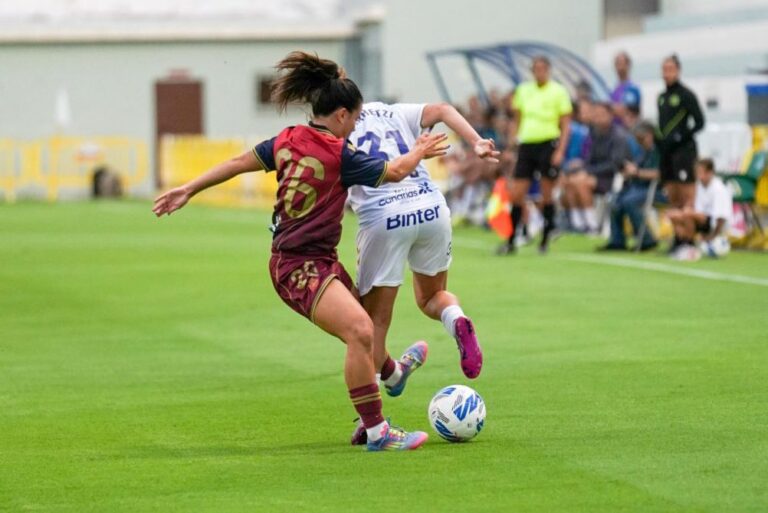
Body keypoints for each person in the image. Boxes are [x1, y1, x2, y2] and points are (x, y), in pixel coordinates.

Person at [151, 52, 449, 452]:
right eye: (357, 119)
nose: (358, 127)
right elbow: (395, 172)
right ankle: (378, 432)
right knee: (361, 331)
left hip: (315, 261)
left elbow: (240, 161)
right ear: (341, 115)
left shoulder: (288, 138)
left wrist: (189, 187)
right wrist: (420, 148)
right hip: (298, 267)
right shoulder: (341, 155)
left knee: (365, 325)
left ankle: (392, 376)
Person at [346, 101, 499, 445]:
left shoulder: (334, 129)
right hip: (431, 207)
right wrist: (475, 142)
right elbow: (443, 109)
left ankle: (368, 419)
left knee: (373, 324)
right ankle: (455, 318)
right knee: (432, 296)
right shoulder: (391, 110)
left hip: (384, 216)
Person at [500, 55, 572, 254]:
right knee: (517, 192)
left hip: (548, 143)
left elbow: (565, 124)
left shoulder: (558, 91)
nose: (539, 72)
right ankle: (512, 238)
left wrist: (560, 151)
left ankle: (546, 237)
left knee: (546, 193)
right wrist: (512, 144)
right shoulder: (523, 90)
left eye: (543, 68)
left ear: (548, 70)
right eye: (536, 69)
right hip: (527, 144)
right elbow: (517, 119)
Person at [564, 102, 631, 234]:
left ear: (610, 115)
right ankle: (578, 223)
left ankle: (592, 224)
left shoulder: (618, 136)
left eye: (601, 114)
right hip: (593, 174)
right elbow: (589, 158)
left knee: (581, 183)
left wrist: (587, 172)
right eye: (596, 115)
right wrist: (581, 167)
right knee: (570, 181)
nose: (598, 118)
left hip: (611, 178)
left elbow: (614, 164)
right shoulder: (594, 134)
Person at [657, 54, 705, 221]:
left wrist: (682, 136)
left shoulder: (686, 95)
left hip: (683, 152)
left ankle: (689, 238)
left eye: (670, 69)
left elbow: (700, 122)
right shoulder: (661, 98)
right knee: (672, 196)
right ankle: (678, 237)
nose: (667, 73)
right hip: (667, 153)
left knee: (687, 197)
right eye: (664, 70)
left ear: (678, 71)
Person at [599, 121, 660, 251]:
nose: (639, 142)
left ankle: (647, 240)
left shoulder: (658, 151)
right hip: (638, 188)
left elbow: (659, 174)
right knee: (614, 200)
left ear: (649, 135)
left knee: (629, 201)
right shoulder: (644, 151)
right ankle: (617, 240)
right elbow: (636, 166)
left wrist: (637, 172)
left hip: (656, 190)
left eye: (640, 139)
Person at [667, 158, 732, 259]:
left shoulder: (719, 189)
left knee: (688, 215)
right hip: (699, 217)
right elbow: (692, 204)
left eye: (700, 172)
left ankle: (689, 246)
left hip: (711, 222)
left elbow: (721, 218)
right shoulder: (698, 186)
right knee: (673, 214)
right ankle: (679, 244)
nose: (698, 175)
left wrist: (712, 237)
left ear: (709, 173)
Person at [611, 51, 642, 118]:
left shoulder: (632, 88)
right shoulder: (614, 89)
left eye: (622, 63)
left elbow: (627, 112)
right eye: (617, 64)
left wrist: (611, 108)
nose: (620, 67)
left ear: (628, 65)